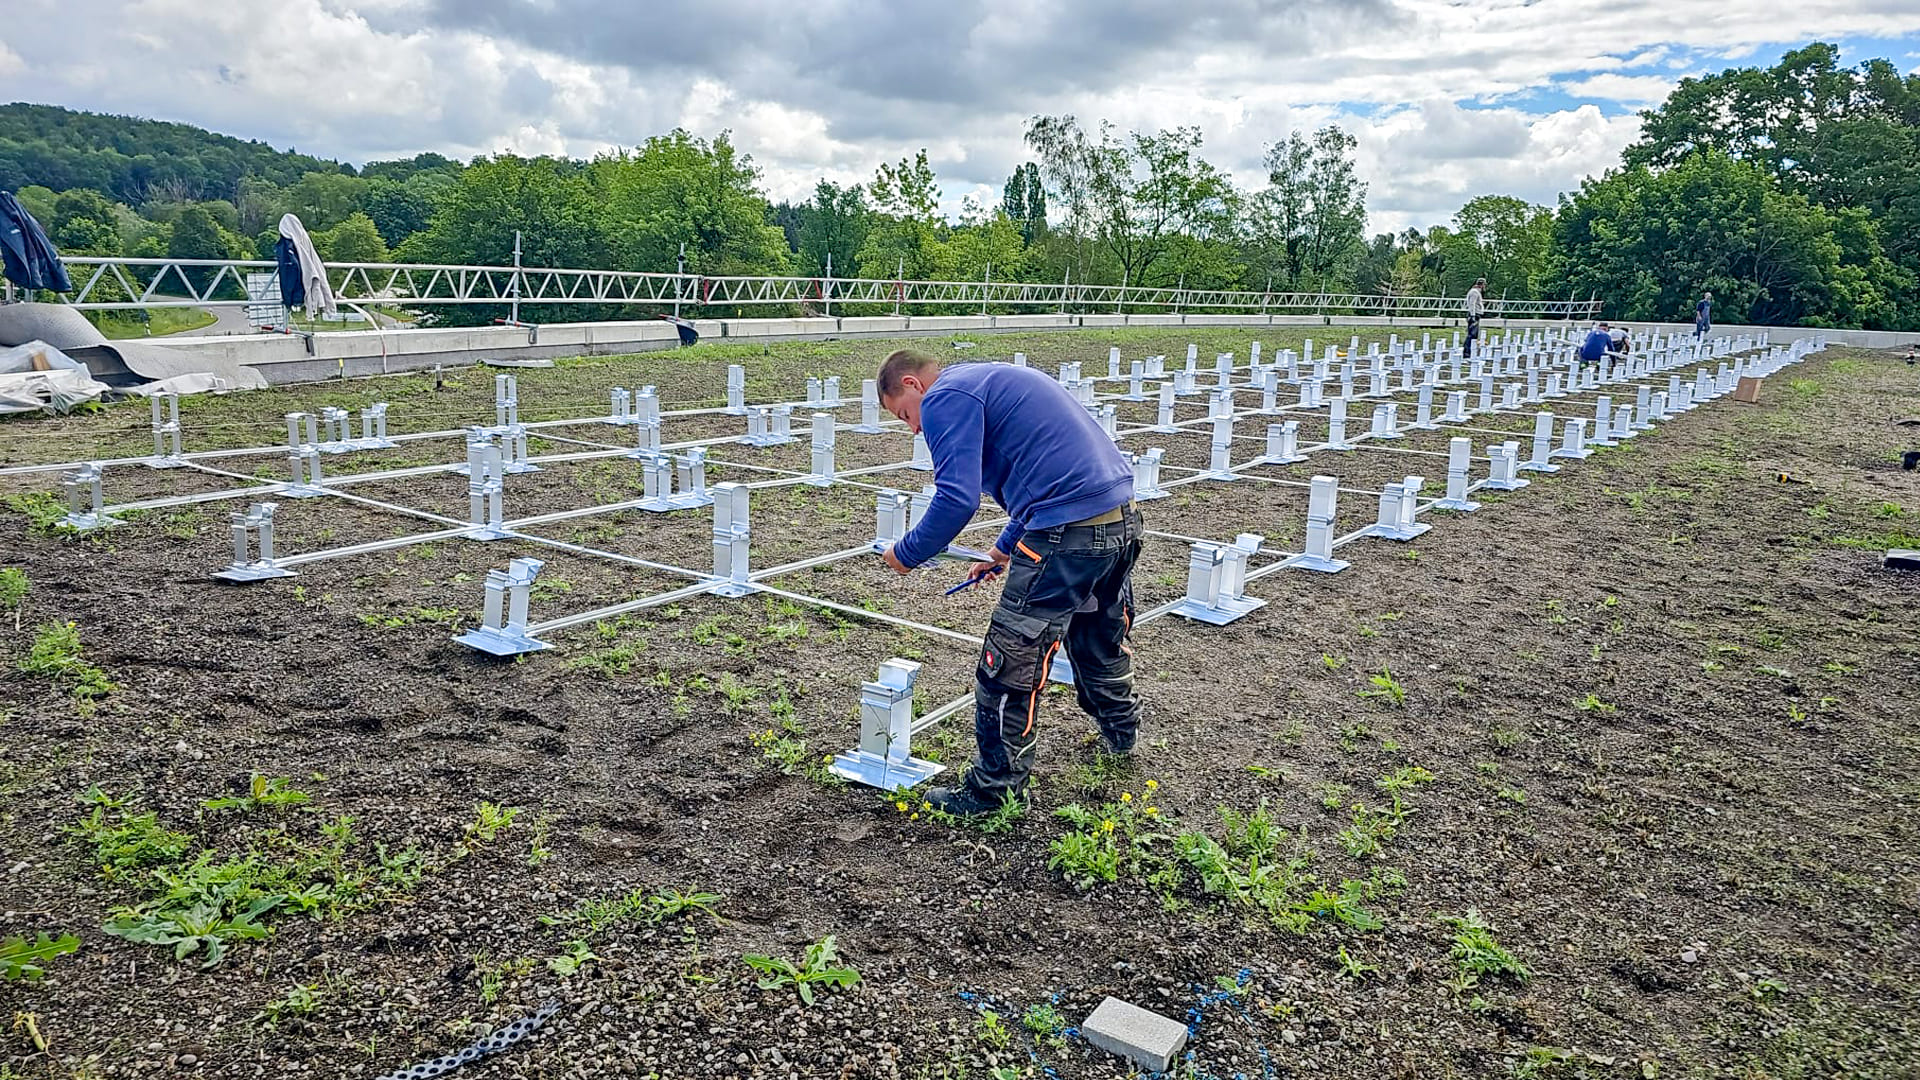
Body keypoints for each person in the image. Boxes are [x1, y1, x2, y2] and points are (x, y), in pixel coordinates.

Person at [876, 349, 1143, 816]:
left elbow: (957, 498)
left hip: (1069, 534)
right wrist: (1001, 551)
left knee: (1010, 662)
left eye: (904, 415)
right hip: (1120, 521)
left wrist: (907, 553)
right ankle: (1122, 734)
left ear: (913, 385)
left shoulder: (944, 396)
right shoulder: (986, 380)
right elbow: (1045, 478)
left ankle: (993, 790)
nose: (915, 429)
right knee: (1097, 636)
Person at [1464, 278, 1486, 359]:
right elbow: (1472, 304)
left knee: (1474, 335)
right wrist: (1472, 315)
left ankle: (1469, 351)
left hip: (1475, 314)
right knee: (1472, 334)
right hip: (1474, 315)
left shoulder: (1476, 292)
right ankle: (1467, 352)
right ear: (1482, 285)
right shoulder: (1474, 292)